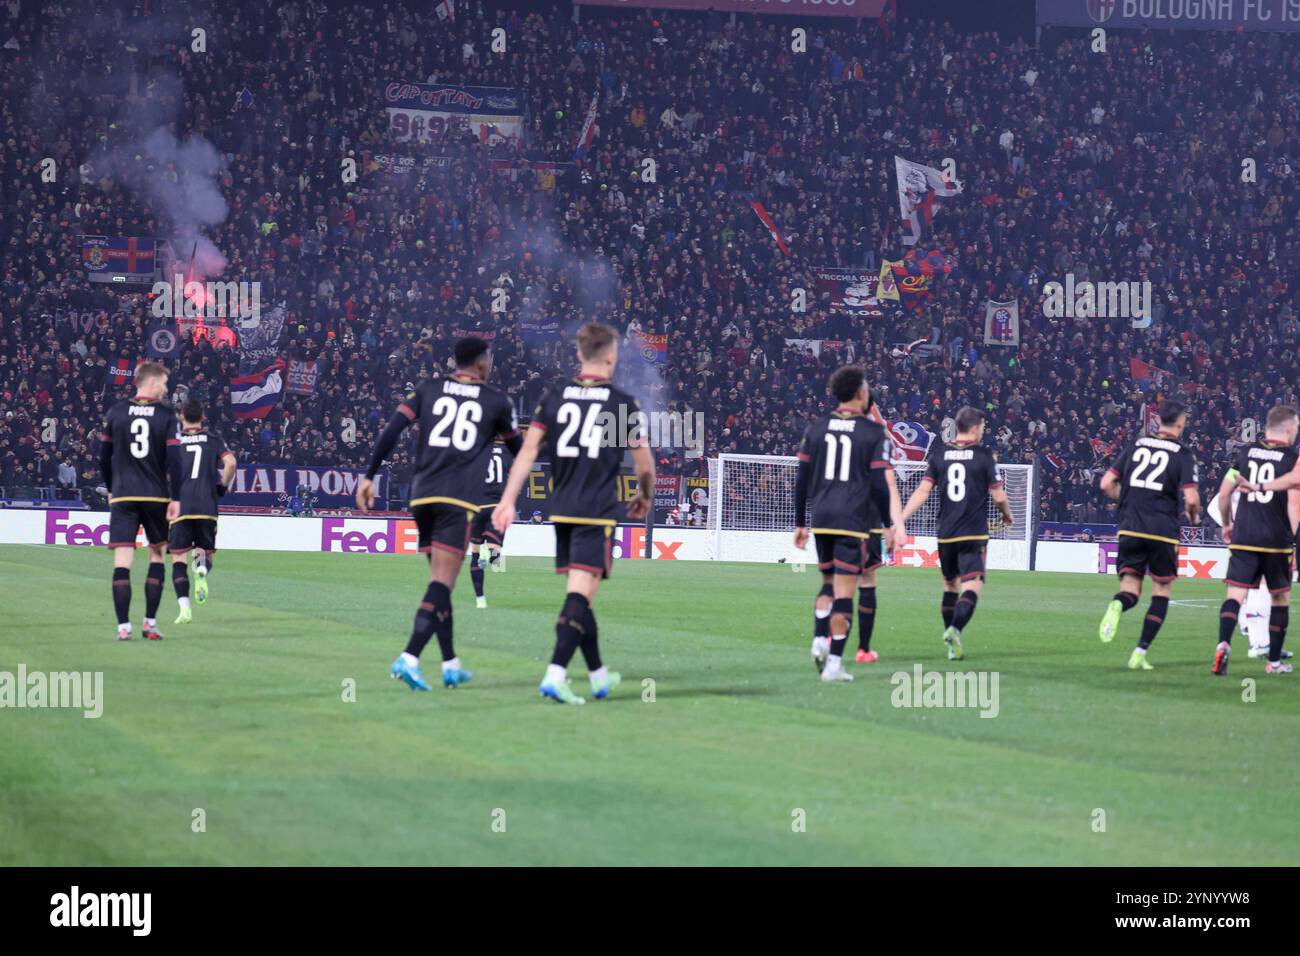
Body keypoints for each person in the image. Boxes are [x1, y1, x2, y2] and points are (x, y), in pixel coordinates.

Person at [493, 323, 654, 705]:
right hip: (597, 511)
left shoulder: (554, 398)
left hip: (561, 510)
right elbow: (643, 461)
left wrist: (507, 500)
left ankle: (599, 676)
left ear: (579, 355)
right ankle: (555, 674)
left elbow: (529, 452)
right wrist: (644, 495)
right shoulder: (620, 404)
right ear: (611, 356)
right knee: (580, 596)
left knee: (582, 593)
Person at [357, 336, 521, 691]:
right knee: (442, 584)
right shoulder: (495, 401)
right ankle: (409, 657)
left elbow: (392, 429)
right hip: (456, 501)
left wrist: (369, 476)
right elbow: (519, 452)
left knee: (440, 583)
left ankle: (450, 664)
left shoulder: (427, 389)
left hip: (421, 497)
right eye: (489, 358)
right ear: (481, 362)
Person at [792, 365, 901, 682]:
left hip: (821, 519)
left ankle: (817, 639)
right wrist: (888, 526)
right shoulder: (872, 433)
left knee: (826, 583)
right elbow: (880, 486)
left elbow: (802, 479)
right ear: (859, 393)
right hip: (853, 521)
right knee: (844, 593)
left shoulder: (816, 427)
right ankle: (834, 665)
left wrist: (800, 522)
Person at [900, 406, 1013, 660]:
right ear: (974, 428)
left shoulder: (940, 455)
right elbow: (998, 494)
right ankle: (955, 629)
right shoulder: (984, 455)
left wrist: (902, 519)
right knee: (973, 585)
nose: (983, 431)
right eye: (982, 427)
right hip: (972, 533)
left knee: (950, 586)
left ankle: (952, 645)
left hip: (946, 533)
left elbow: (922, 492)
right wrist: (1007, 513)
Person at [1097, 400, 1202, 670]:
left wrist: (1128, 501)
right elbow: (1191, 497)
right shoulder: (1182, 453)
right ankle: (1139, 652)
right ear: (1180, 423)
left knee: (1130, 589)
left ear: (1158, 421)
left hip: (1131, 526)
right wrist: (1193, 516)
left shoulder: (1137, 445)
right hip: (1162, 531)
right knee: (1161, 590)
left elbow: (1106, 483)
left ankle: (1118, 605)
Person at [1210, 404, 1300, 675]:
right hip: (1275, 538)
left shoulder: (1244, 453)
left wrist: (1227, 525)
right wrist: (1292, 541)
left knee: (1235, 596)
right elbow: (1294, 505)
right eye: (1296, 427)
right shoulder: (1292, 458)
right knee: (1279, 598)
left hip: (1243, 535)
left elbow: (1224, 494)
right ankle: (1273, 662)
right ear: (1287, 428)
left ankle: (1223, 644)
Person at [97, 361, 181, 641]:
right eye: (164, 383)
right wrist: (177, 497)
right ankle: (149, 623)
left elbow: (102, 457)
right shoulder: (166, 415)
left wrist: (111, 488)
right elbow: (175, 460)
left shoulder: (117, 412)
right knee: (157, 555)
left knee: (123, 561)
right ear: (153, 381)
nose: (166, 389)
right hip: (155, 495)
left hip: (123, 495)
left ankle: (123, 627)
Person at [167, 400, 236, 624]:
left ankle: (184, 609)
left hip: (181, 506)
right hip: (207, 506)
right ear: (202, 417)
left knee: (178, 559)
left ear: (181, 417)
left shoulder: (173, 442)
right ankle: (202, 571)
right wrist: (222, 486)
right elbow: (231, 464)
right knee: (203, 553)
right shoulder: (213, 439)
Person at [468, 439, 511, 609]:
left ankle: (480, 600)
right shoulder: (505, 451)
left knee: (475, 554)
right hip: (497, 507)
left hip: (477, 507)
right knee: (496, 556)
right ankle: (489, 555)